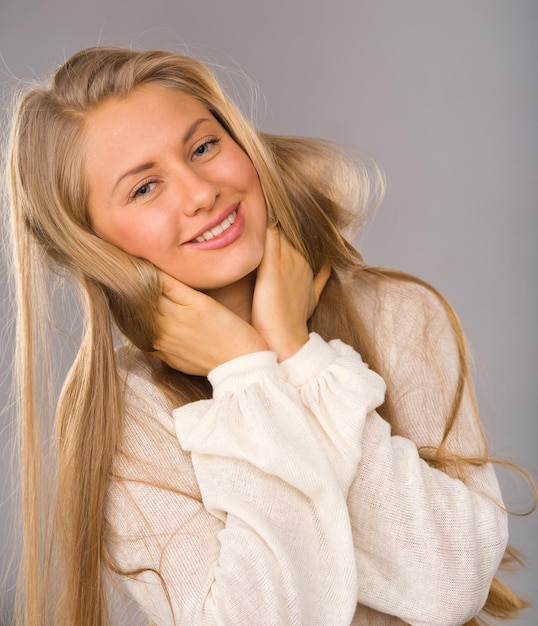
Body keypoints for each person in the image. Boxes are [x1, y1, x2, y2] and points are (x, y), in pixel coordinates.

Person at [6, 45, 533, 626]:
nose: (200, 192)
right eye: (144, 188)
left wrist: (299, 358)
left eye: (204, 147)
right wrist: (247, 376)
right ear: (93, 244)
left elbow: (449, 584)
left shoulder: (402, 315)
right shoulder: (126, 413)